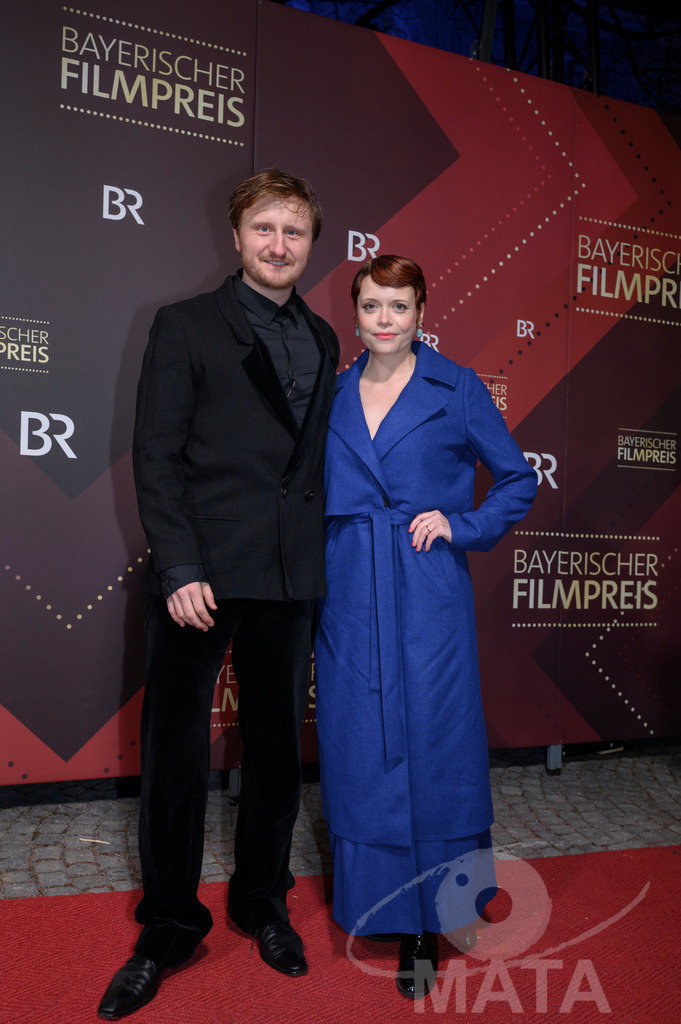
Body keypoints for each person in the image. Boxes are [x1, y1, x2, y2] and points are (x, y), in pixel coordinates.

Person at [97, 169, 340, 1020]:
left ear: (313, 244)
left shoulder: (325, 337)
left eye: (295, 233)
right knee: (176, 753)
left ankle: (260, 901)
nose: (280, 245)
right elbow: (155, 455)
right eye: (265, 229)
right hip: (198, 575)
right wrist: (178, 566)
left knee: (276, 751)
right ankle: (167, 923)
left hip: (287, 577)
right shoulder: (186, 325)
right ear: (236, 238)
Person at [314, 255, 537, 1000]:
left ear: (419, 312)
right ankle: (375, 904)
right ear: (355, 314)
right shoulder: (332, 392)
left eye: (399, 307)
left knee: (435, 744)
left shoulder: (457, 386)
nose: (385, 320)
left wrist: (463, 523)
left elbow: (517, 478)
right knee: (358, 747)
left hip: (426, 584)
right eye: (372, 306)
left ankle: (432, 919)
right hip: (347, 585)